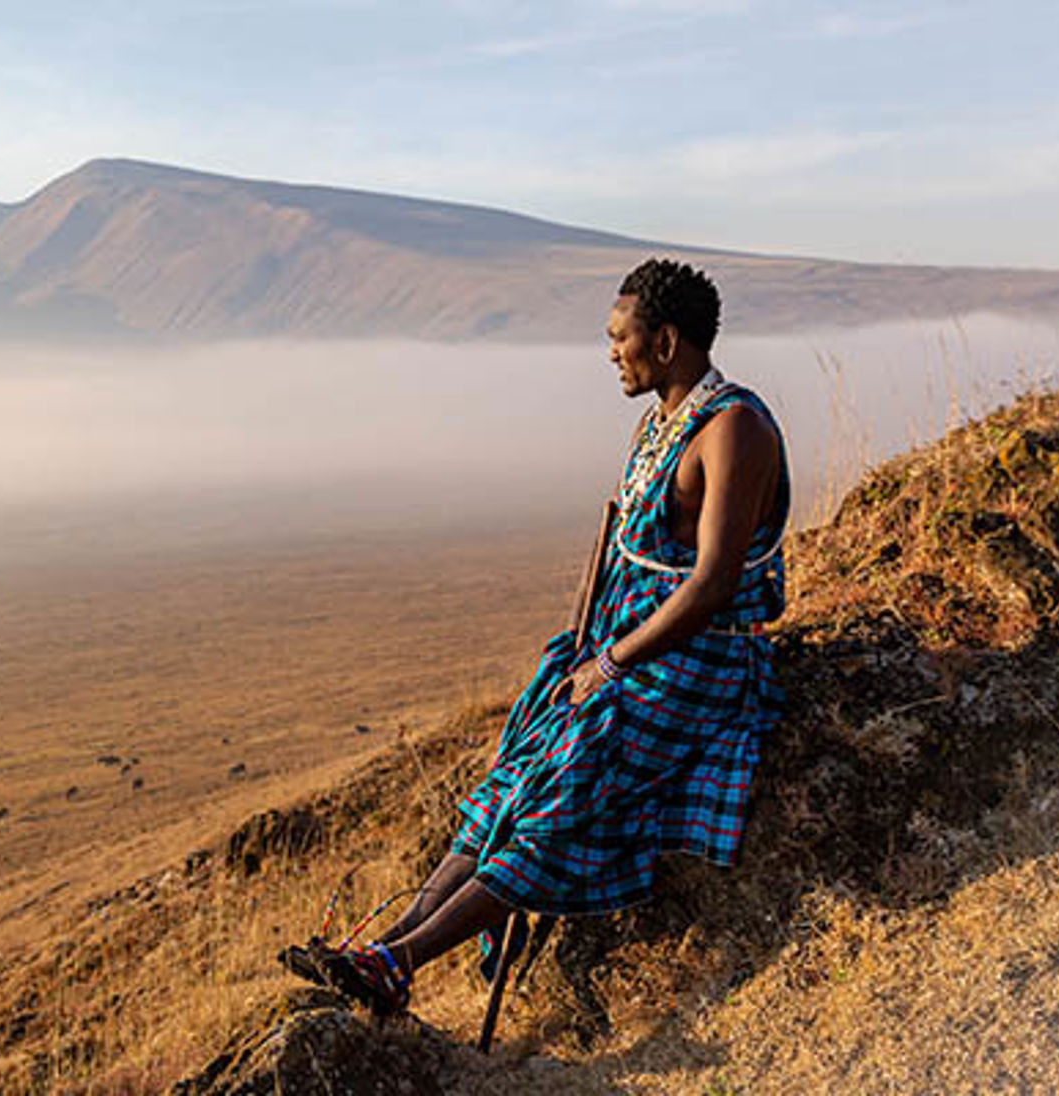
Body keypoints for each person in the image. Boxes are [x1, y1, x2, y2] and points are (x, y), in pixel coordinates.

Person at [284, 257, 789, 1014]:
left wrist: (613, 664)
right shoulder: (659, 423)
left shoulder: (734, 430)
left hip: (698, 662)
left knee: (568, 785)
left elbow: (713, 582)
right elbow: (618, 536)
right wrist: (585, 648)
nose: (610, 352)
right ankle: (383, 950)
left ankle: (400, 961)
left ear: (666, 340)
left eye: (620, 337)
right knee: (517, 775)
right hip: (620, 648)